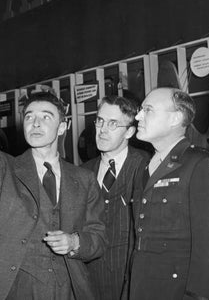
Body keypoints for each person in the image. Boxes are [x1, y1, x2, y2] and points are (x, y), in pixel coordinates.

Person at [0, 42, 106, 300]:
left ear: (62, 128)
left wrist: (74, 242)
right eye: (29, 117)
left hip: (68, 289)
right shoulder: (7, 168)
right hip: (16, 287)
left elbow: (99, 239)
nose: (35, 123)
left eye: (46, 117)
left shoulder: (85, 179)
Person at [128, 87, 209, 300]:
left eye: (148, 110)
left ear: (175, 118)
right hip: (144, 285)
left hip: (178, 290)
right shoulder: (145, 167)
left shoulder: (200, 165)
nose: (138, 116)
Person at [82, 96, 148, 300]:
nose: (103, 130)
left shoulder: (146, 166)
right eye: (100, 121)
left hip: (131, 279)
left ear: (129, 131)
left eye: (113, 124)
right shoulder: (82, 173)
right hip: (89, 280)